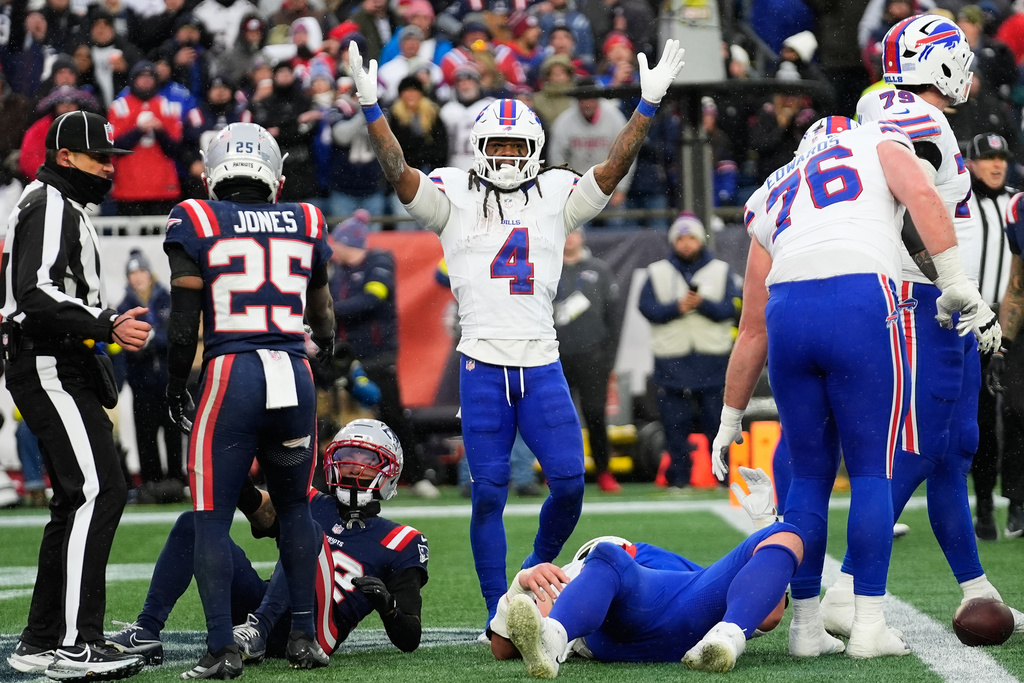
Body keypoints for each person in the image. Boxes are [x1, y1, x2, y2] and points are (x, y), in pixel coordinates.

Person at [346, 37, 685, 624]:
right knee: (488, 495)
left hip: (540, 362)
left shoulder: (556, 193)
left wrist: (646, 106)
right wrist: (372, 109)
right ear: (477, 149)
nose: (505, 156)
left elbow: (611, 168)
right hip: (481, 362)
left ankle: (532, 573)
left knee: (572, 485)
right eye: (496, 145)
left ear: (535, 150)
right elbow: (400, 174)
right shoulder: (454, 194)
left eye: (516, 146)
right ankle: (493, 609)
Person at [713, 115, 999, 660]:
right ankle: (867, 625)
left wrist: (730, 418)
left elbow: (750, 328)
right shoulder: (877, 139)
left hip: (787, 313)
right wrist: (957, 281)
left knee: (807, 479)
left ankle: (805, 625)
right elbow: (921, 193)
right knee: (872, 468)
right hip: (858, 298)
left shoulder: (774, 186)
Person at [821, 15, 1022, 642]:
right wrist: (949, 286)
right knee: (924, 446)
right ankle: (846, 587)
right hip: (923, 301)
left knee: (955, 446)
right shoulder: (906, 112)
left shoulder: (897, 107)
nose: (967, 69)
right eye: (956, 57)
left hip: (935, 299)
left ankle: (975, 586)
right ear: (931, 62)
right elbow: (910, 208)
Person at [161, 121, 336, 677]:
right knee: (293, 507)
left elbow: (184, 320)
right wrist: (322, 354)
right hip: (293, 372)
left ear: (214, 172)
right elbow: (324, 316)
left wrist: (172, 384)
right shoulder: (306, 218)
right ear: (274, 175)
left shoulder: (196, 217)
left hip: (233, 370)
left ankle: (222, 648)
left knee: (212, 517)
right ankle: (304, 637)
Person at [1, 110, 152, 681]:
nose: (106, 170)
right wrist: (104, 323)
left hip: (54, 362)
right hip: (47, 362)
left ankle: (43, 639)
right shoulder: (50, 203)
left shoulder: (56, 202)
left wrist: (96, 331)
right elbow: (33, 293)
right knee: (98, 490)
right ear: (65, 156)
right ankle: (75, 643)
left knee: (74, 500)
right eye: (98, 158)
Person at [108, 419, 428, 667]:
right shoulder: (313, 501)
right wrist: (226, 457)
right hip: (258, 608)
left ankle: (258, 630)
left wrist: (389, 608)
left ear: (389, 470)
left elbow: (409, 638)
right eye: (346, 457)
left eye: (365, 458)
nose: (352, 466)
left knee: (309, 532)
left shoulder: (402, 540)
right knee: (193, 524)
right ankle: (147, 631)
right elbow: (258, 509)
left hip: (311, 633)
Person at [493, 467, 801, 676]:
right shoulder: (583, 570)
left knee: (785, 532)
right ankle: (552, 640)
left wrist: (518, 589)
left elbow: (767, 613)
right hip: (668, 617)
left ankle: (727, 638)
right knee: (787, 536)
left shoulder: (594, 570)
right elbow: (503, 646)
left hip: (682, 624)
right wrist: (521, 588)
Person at [328, 215, 437, 496]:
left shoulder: (379, 263)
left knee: (392, 414)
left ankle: (417, 475)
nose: (334, 247)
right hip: (345, 355)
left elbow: (372, 300)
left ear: (347, 242)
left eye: (338, 241)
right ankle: (336, 478)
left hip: (378, 354)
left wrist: (330, 310)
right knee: (333, 416)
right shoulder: (337, 271)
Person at [638, 213, 740, 490]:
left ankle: (723, 479)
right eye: (680, 238)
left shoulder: (720, 269)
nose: (686, 243)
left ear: (700, 240)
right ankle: (679, 479)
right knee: (675, 427)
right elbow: (646, 308)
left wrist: (702, 304)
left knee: (716, 425)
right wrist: (677, 308)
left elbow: (732, 308)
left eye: (691, 237)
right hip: (672, 360)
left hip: (712, 360)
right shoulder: (657, 271)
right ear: (673, 241)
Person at [964, 133, 1019, 540]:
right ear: (971, 162)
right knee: (978, 422)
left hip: (1015, 327)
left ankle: (1016, 504)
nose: (997, 164)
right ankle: (983, 504)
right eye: (988, 158)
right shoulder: (956, 199)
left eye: (1001, 157)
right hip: (969, 325)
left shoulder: (1017, 203)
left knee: (1017, 415)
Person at [555, 228, 621, 492]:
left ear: (582, 237)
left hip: (593, 358)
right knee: (559, 419)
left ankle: (604, 471)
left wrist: (609, 357)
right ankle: (560, 475)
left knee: (595, 415)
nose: (569, 237)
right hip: (554, 358)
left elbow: (614, 316)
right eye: (565, 233)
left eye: (574, 233)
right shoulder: (547, 267)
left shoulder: (599, 269)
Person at [117, 249, 183, 504]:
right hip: (141, 382)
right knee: (145, 436)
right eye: (132, 273)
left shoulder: (166, 299)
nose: (137, 277)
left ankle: (176, 482)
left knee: (172, 433)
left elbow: (177, 336)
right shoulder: (125, 305)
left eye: (140, 271)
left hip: (167, 381)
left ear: (150, 274)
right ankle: (151, 484)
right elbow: (123, 345)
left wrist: (153, 340)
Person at [986, 191, 1024, 544]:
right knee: (1015, 410)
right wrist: (1003, 346)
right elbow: (1017, 288)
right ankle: (1018, 502)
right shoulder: (1019, 209)